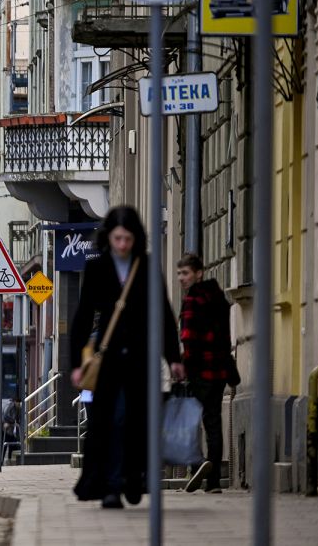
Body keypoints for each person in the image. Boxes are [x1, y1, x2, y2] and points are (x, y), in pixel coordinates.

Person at [69, 206, 184, 510]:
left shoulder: (145, 266)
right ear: (109, 237)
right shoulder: (98, 268)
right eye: (118, 238)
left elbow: (163, 313)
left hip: (140, 359)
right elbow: (82, 317)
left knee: (138, 421)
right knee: (111, 420)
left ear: (136, 238)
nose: (122, 245)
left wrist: (173, 357)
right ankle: (111, 485)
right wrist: (76, 364)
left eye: (128, 239)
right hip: (108, 361)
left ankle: (134, 478)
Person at [177, 252, 232, 494]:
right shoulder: (218, 296)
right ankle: (213, 482)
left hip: (199, 370)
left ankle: (198, 463)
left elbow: (188, 338)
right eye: (179, 273)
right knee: (213, 421)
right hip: (219, 369)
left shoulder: (193, 299)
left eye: (185, 273)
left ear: (199, 273)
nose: (181, 278)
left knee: (186, 420)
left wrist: (184, 365)